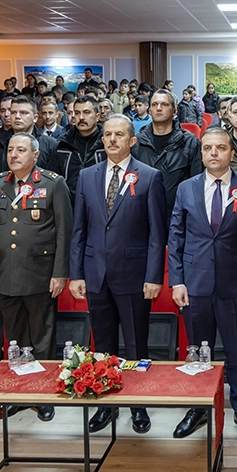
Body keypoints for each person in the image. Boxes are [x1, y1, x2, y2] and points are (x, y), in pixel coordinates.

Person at [70, 115, 166, 435]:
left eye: (119, 135)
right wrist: (76, 274)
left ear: (132, 140)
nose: (112, 139)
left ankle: (138, 405)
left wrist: (153, 276)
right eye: (108, 134)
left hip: (134, 275)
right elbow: (79, 229)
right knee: (103, 345)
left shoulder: (149, 177)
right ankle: (105, 405)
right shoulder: (87, 176)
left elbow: (157, 234)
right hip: (96, 273)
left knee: (136, 344)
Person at [168, 127, 237, 440]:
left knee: (236, 349)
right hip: (194, 285)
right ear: (201, 153)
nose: (214, 153)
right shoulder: (186, 188)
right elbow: (176, 237)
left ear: (231, 153)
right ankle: (198, 407)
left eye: (221, 147)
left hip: (234, 286)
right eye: (208, 147)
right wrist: (177, 281)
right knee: (197, 351)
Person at [0, 133, 72, 423]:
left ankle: (43, 394)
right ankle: (21, 393)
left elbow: (64, 231)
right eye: (11, 149)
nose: (13, 154)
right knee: (16, 338)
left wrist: (59, 272)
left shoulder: (52, 183)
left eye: (21, 150)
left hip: (40, 273)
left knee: (42, 338)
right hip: (7, 273)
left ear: (35, 155)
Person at [132, 90, 203, 213]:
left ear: (174, 111)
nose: (158, 108)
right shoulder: (136, 142)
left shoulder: (190, 142)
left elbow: (196, 184)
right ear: (150, 110)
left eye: (164, 104)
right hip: (142, 213)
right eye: (154, 104)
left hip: (177, 214)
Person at [0, 95, 61, 177]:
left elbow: (54, 178)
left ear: (35, 118)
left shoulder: (50, 144)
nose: (17, 116)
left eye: (23, 113)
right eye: (13, 112)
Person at [57, 95, 106, 194]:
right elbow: (54, 179)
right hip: (69, 201)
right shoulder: (62, 144)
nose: (81, 117)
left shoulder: (106, 143)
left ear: (97, 116)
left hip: (100, 200)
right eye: (77, 113)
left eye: (86, 112)